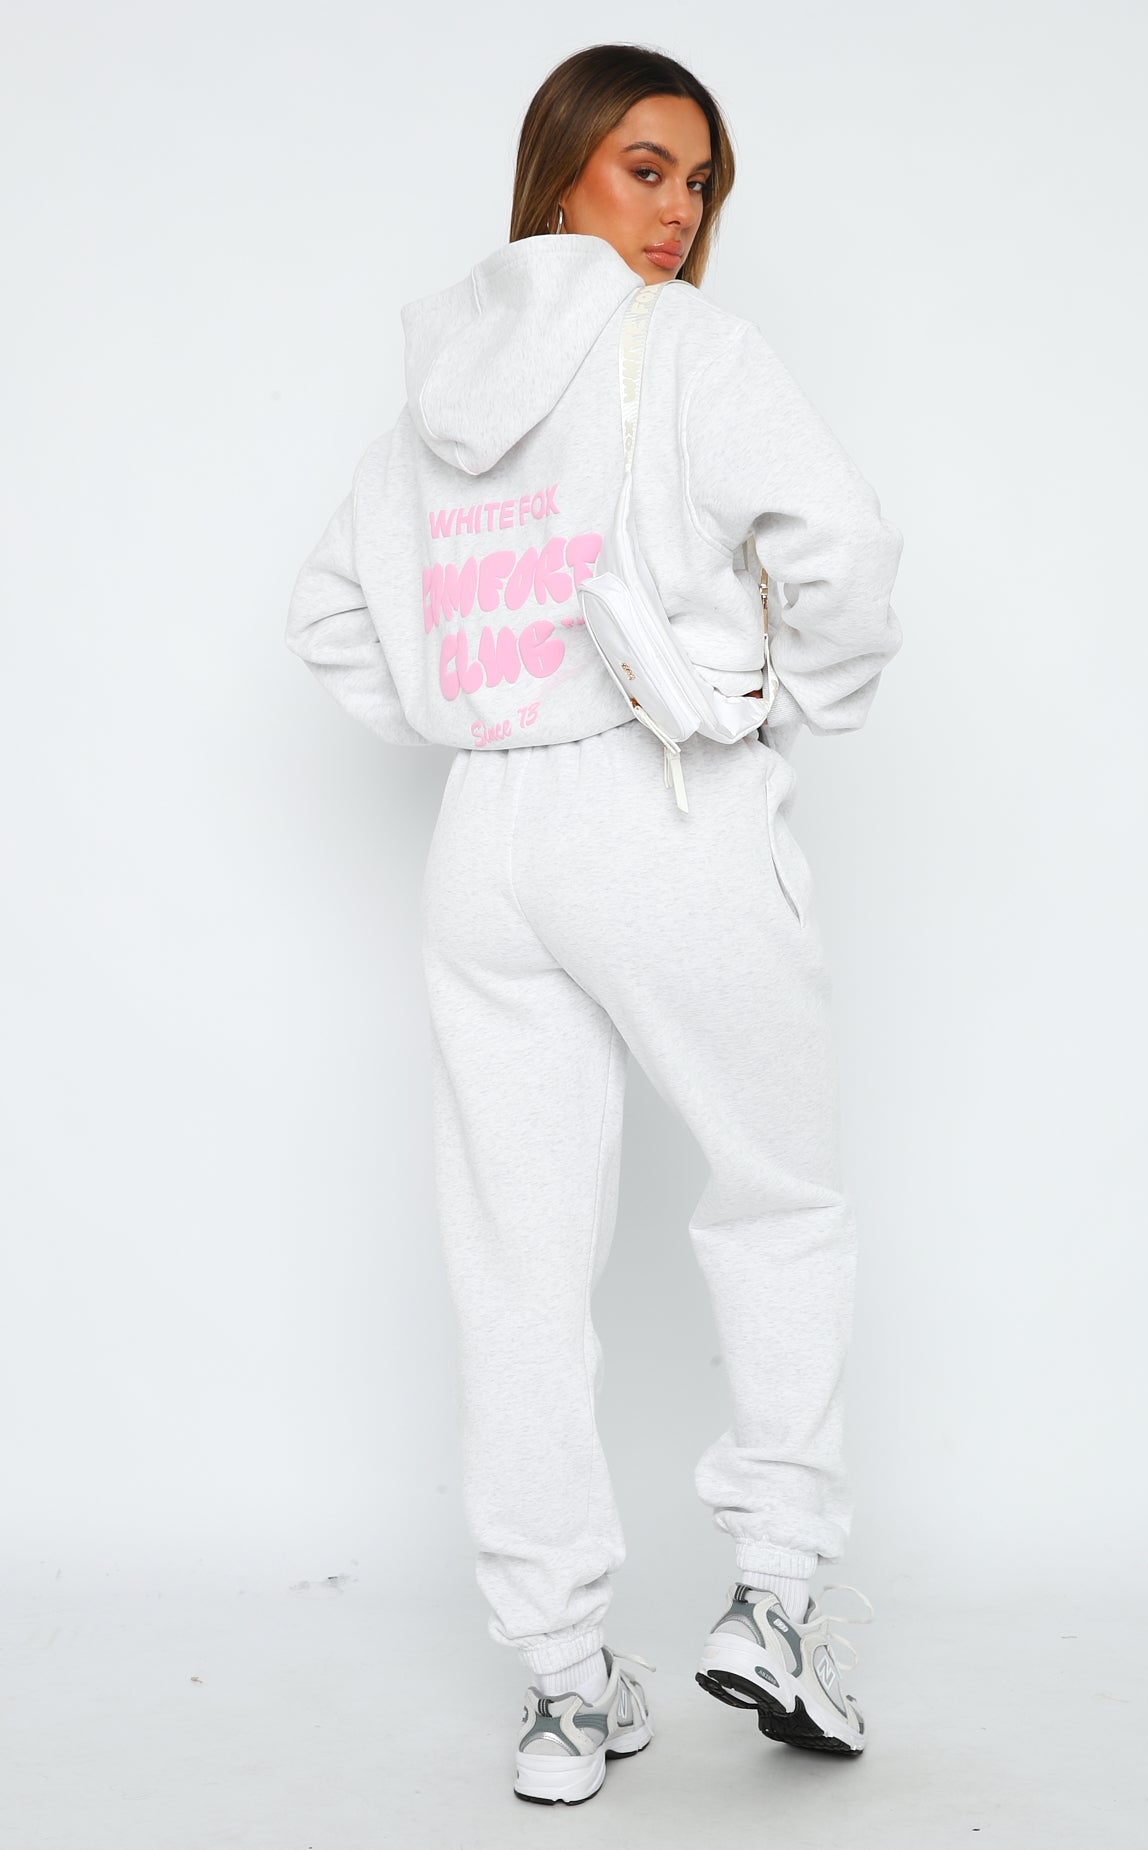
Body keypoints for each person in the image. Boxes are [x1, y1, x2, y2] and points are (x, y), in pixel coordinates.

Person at [285, 42, 903, 1808]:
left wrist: (476, 708)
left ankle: (564, 1684)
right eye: (647, 167)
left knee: (516, 1259)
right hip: (663, 801)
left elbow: (330, 618)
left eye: (699, 181)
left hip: (486, 843)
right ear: (561, 163)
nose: (679, 211)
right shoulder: (685, 346)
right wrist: (778, 709)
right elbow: (847, 551)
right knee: (779, 1197)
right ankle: (775, 1596)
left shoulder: (433, 402)